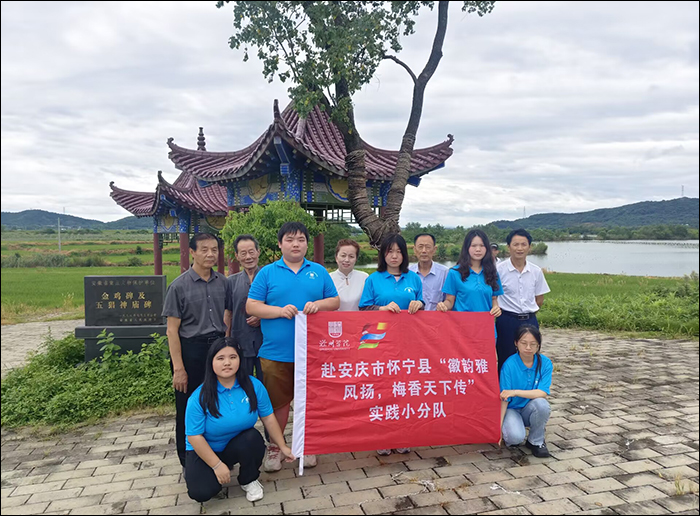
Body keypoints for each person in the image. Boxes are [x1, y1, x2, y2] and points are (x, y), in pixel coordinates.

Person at [247, 222, 339, 471]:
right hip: (275, 353)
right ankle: (276, 447)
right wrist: (278, 311)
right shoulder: (267, 273)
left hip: (313, 352)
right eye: (289, 239)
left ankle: (308, 445)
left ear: (307, 244)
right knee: (277, 404)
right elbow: (252, 306)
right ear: (280, 244)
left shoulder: (318, 271)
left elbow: (335, 300)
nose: (295, 244)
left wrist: (318, 305)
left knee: (310, 402)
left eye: (300, 239)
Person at [184, 337, 294, 503]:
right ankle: (209, 469)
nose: (227, 363)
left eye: (233, 357)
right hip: (205, 449)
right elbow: (194, 437)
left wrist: (282, 446)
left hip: (235, 445)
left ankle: (249, 479)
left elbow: (268, 417)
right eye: (220, 358)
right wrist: (216, 465)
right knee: (202, 492)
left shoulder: (254, 385)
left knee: (252, 438)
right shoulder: (199, 396)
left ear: (240, 360)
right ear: (211, 362)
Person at [163, 233, 232, 469]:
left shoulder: (223, 282)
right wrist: (178, 368)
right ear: (192, 252)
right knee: (188, 406)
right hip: (191, 351)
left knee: (219, 402)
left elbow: (228, 313)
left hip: (218, 349)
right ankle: (188, 461)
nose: (210, 254)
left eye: (214, 249)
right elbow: (172, 331)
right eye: (204, 249)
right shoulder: (178, 286)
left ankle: (219, 454)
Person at [359, 233, 424, 456]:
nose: (394, 256)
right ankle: (382, 435)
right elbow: (363, 308)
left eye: (398, 251)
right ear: (383, 254)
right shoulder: (373, 279)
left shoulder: (413, 279)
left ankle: (402, 433)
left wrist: (419, 304)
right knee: (382, 388)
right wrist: (382, 309)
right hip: (379, 342)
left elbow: (422, 304)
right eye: (389, 251)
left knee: (404, 388)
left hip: (408, 342)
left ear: (404, 254)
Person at [496, 229, 550, 372]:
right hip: (506, 320)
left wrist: (528, 313)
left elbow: (539, 299)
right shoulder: (498, 270)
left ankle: (529, 385)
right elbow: (492, 296)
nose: (519, 248)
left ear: (529, 247)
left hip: (530, 320)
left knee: (530, 357)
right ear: (508, 247)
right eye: (515, 244)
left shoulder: (536, 271)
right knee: (505, 358)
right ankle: (505, 386)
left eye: (523, 244)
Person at [498, 325, 552, 458]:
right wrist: (498, 429)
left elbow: (542, 393)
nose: (528, 348)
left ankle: (536, 441)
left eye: (533, 344)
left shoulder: (545, 363)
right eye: (524, 343)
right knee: (515, 438)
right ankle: (513, 428)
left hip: (530, 408)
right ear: (516, 343)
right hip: (512, 409)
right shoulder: (509, 365)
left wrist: (515, 392)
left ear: (538, 345)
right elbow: (504, 399)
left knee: (542, 404)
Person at [436, 230, 503, 326]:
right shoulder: (455, 273)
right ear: (467, 248)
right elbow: (450, 301)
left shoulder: (492, 272)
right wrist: (443, 306)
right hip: (462, 327)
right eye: (474, 246)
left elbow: (494, 299)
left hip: (486, 327)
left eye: (482, 245)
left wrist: (496, 308)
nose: (478, 249)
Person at [224, 234, 263, 380]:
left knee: (267, 384)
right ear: (237, 256)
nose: (248, 257)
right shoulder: (231, 282)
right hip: (240, 340)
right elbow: (228, 313)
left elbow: (278, 307)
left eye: (251, 252)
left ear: (258, 252)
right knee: (242, 382)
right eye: (243, 253)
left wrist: (262, 316)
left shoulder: (269, 278)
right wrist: (226, 341)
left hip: (265, 342)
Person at [409, 233, 448, 311]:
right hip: (413, 317)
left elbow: (449, 300)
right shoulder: (407, 273)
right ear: (414, 249)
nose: (424, 251)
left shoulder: (445, 273)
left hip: (436, 317)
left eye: (428, 247)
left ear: (434, 249)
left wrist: (444, 305)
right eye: (420, 247)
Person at [330, 239, 368, 311]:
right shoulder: (329, 278)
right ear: (336, 257)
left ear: (356, 259)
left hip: (359, 318)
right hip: (336, 318)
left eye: (351, 256)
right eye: (343, 255)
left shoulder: (364, 278)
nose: (347, 260)